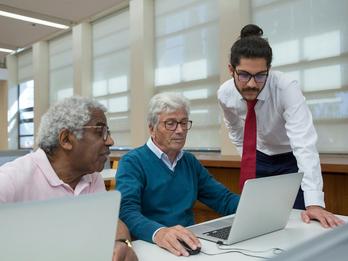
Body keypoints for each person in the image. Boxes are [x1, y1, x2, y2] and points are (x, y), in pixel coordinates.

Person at [217, 24, 344, 228]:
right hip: (258, 156)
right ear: (231, 69)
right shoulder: (225, 94)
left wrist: (314, 203)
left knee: (301, 222)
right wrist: (249, 158)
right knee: (257, 222)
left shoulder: (286, 87)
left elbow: (304, 144)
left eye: (260, 75)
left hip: (291, 160)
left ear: (269, 69)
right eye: (243, 75)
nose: (251, 83)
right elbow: (235, 131)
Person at [0, 96, 137, 261]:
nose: (110, 141)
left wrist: (122, 243)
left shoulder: (91, 177)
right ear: (66, 139)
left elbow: (111, 223)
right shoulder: (10, 180)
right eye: (100, 132)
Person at [116, 92, 240, 256]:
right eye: (170, 123)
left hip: (188, 242)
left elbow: (222, 199)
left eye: (183, 122)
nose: (180, 130)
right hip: (151, 245)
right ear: (151, 128)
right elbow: (126, 212)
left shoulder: (189, 161)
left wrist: (254, 208)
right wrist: (159, 232)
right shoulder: (132, 162)